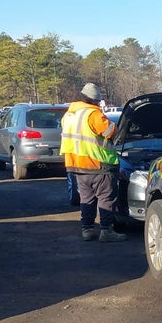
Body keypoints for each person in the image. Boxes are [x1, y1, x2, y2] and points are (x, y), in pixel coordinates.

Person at [60, 83, 127, 242]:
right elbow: (110, 131)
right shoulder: (93, 114)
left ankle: (87, 229)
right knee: (106, 198)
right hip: (98, 163)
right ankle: (106, 230)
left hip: (77, 164)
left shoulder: (69, 114)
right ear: (95, 100)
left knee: (86, 198)